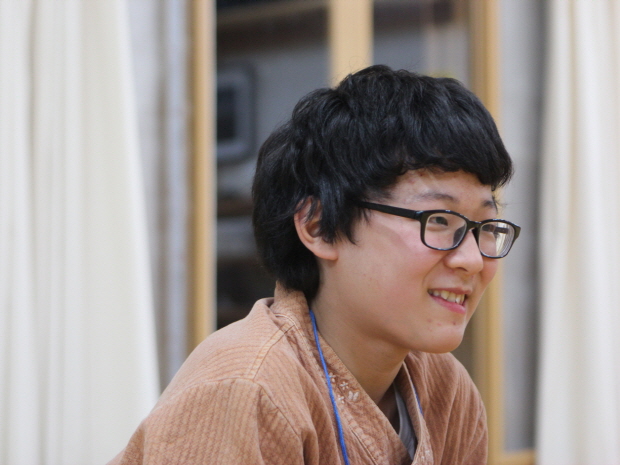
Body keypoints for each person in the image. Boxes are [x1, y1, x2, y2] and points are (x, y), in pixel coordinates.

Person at [109, 65, 520, 465]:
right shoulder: (247, 389)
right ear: (319, 227)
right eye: (440, 221)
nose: (472, 259)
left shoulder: (447, 392)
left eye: (485, 226)